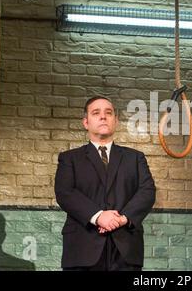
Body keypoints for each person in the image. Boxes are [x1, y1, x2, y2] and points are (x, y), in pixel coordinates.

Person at [55, 96, 156, 271]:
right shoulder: (70, 158)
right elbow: (65, 193)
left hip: (126, 248)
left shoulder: (135, 158)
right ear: (86, 122)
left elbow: (147, 192)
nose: (103, 116)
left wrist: (122, 219)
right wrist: (99, 216)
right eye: (96, 113)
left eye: (108, 113)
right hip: (83, 249)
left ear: (115, 121)